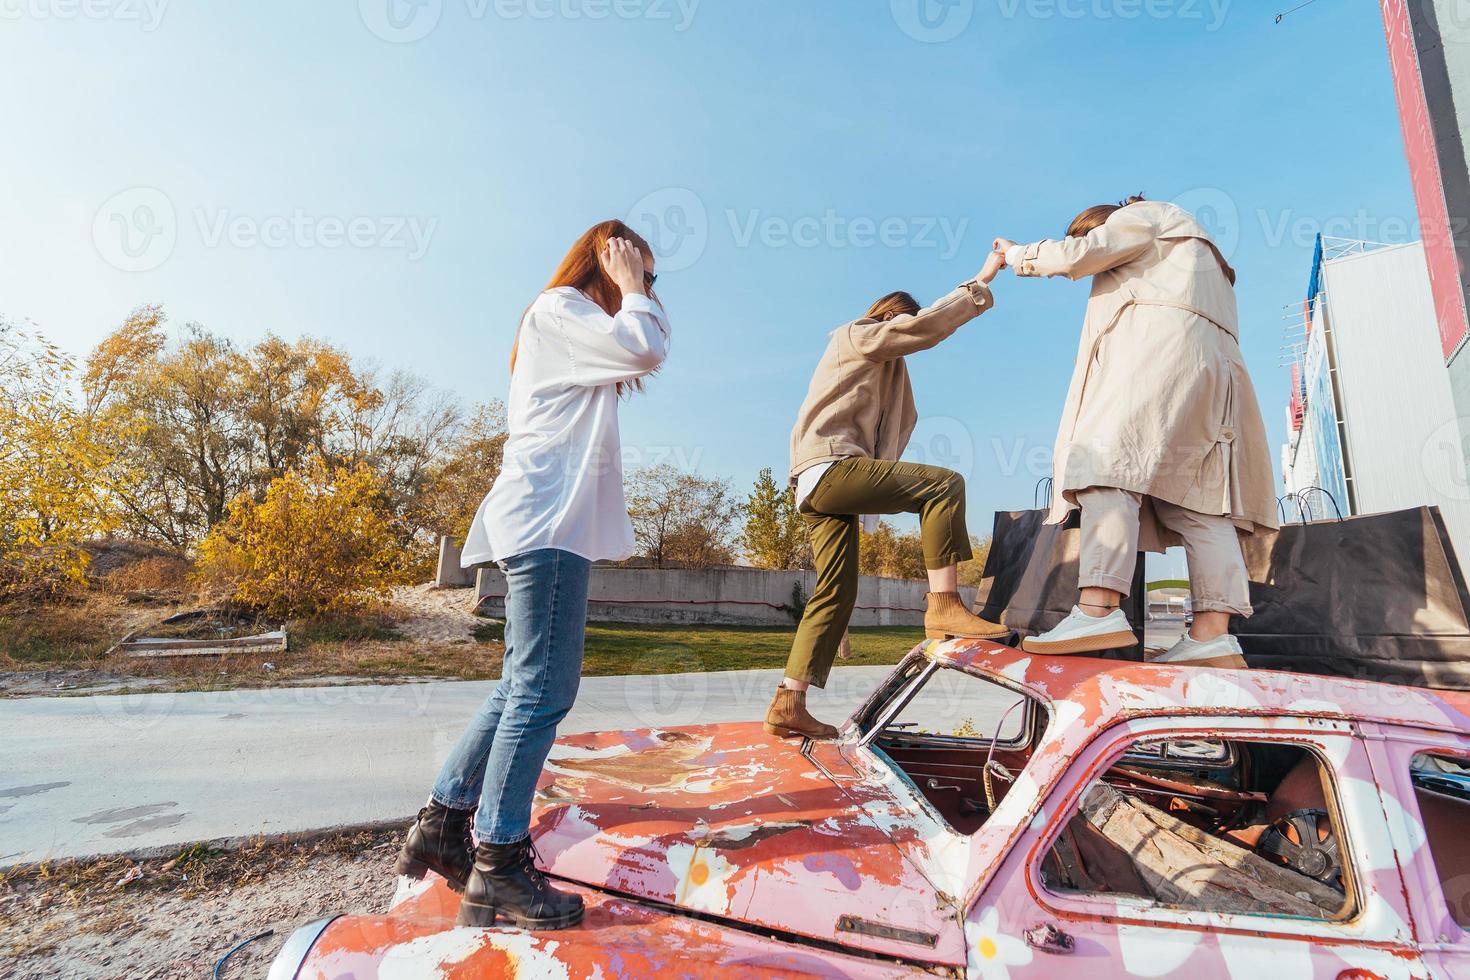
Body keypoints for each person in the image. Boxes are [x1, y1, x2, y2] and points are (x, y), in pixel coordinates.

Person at [394, 221, 670, 930]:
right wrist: (633, 285)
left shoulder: (569, 325)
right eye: (643, 270)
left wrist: (635, 287)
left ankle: (444, 822)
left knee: (523, 683)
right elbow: (646, 345)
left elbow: (640, 352)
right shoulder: (561, 309)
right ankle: (499, 863)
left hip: (548, 523)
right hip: (546, 523)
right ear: (608, 262)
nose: (649, 287)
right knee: (546, 687)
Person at [993, 195, 1277, 668]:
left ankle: (1098, 606)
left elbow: (1083, 254)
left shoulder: (1144, 217)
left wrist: (1017, 254)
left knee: (1107, 462)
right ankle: (1213, 635)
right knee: (1198, 500)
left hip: (1159, 357)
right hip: (1217, 372)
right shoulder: (1204, 260)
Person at [766, 251, 1011, 740]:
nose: (904, 336)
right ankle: (943, 603)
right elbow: (926, 329)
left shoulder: (884, 367)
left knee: (837, 591)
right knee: (943, 485)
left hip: (818, 484)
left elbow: (894, 425)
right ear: (888, 316)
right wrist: (979, 283)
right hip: (831, 469)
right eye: (901, 324)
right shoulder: (858, 333)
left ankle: (787, 701)